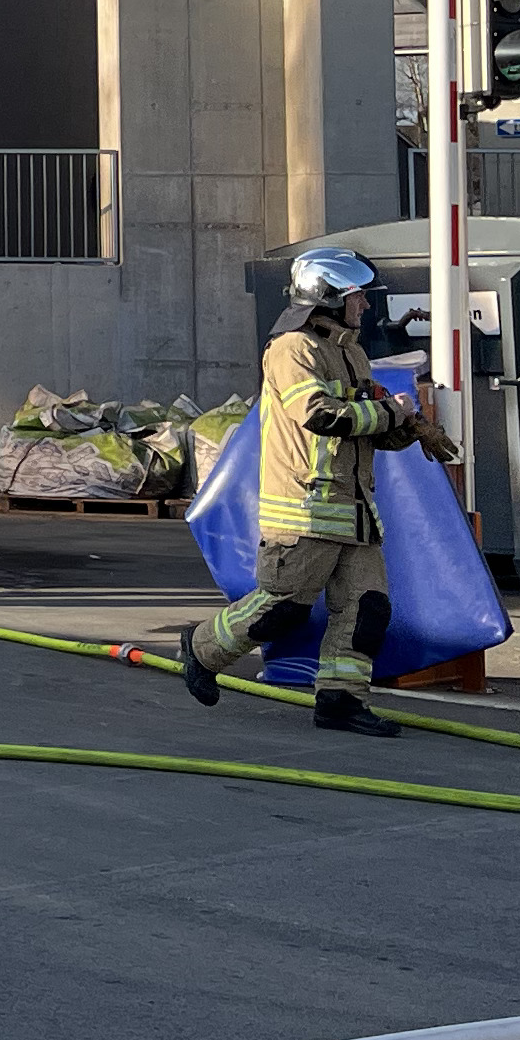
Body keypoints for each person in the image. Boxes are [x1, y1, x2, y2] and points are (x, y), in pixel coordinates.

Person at [168, 245, 455, 737]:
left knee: (366, 611)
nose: (364, 305)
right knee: (282, 609)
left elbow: (366, 429)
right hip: (306, 510)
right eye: (356, 296)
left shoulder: (352, 351)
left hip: (354, 512)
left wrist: (407, 426)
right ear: (328, 296)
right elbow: (322, 416)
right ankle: (200, 648)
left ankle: (341, 702)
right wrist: (392, 411)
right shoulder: (293, 350)